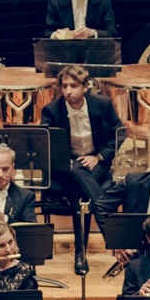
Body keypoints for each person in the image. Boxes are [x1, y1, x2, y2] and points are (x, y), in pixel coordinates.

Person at [41, 63, 121, 274]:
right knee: (75, 171)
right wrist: (64, 161)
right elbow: (46, 146)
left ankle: (80, 252)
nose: (68, 91)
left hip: (95, 164)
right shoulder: (51, 111)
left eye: (74, 86)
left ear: (85, 87)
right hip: (65, 168)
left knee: (80, 196)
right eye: (64, 86)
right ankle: (112, 233)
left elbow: (118, 134)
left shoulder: (102, 104)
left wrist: (99, 157)